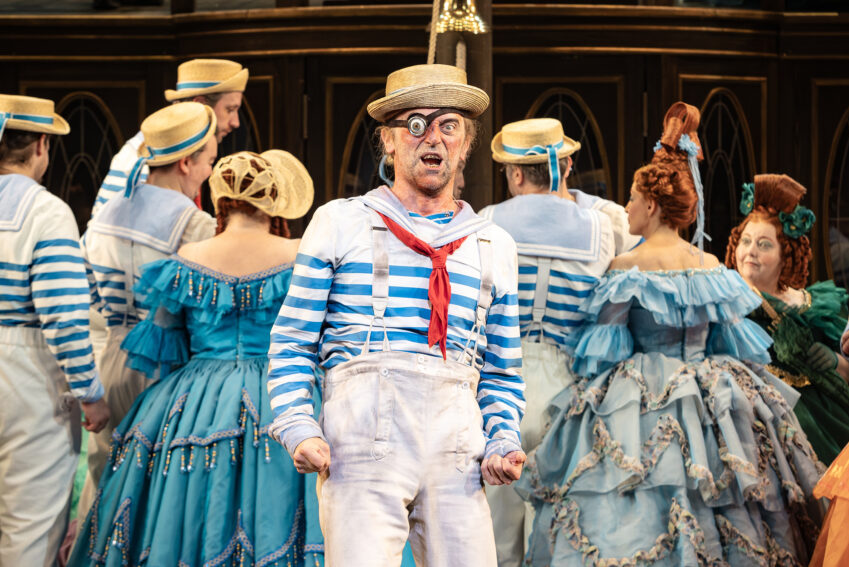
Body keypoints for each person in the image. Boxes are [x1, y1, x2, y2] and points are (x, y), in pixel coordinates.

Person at [518, 102, 825, 566]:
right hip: (712, 392)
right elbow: (732, 344)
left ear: (652, 205)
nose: (625, 208)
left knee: (630, 494)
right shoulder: (709, 267)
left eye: (632, 199)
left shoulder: (625, 268)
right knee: (723, 495)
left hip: (634, 398)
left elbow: (606, 350)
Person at [267, 63, 526, 566]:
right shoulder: (341, 223)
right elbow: (292, 340)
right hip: (361, 443)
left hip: (457, 450)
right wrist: (298, 424)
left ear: (466, 143)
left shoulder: (494, 244)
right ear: (388, 140)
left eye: (448, 125)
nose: (433, 137)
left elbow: (501, 370)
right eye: (415, 124)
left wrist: (502, 440)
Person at [69, 149, 317, 566]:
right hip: (283, 389)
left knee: (189, 505)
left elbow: (165, 339)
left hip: (196, 396)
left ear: (220, 201)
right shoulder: (299, 253)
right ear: (273, 202)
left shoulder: (187, 261)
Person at [478, 117, 615, 567]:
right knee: (558, 530)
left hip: (497, 386)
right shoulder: (601, 228)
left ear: (516, 173)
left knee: (497, 533)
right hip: (568, 392)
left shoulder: (485, 223)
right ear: (566, 166)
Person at [75, 102, 218, 523]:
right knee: (157, 482)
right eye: (208, 161)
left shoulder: (105, 216)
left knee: (103, 475)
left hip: (112, 356)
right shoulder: (192, 224)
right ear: (187, 163)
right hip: (166, 368)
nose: (210, 171)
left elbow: (89, 291)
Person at [0, 94, 109, 565]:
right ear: (42, 144)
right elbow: (64, 317)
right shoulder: (45, 213)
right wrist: (89, 392)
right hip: (22, 372)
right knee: (28, 525)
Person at [725, 174, 849, 465]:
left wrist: (837, 362)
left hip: (831, 422)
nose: (751, 251)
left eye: (765, 244)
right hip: (762, 424)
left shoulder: (817, 305)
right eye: (746, 241)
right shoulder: (728, 304)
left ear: (787, 255)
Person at [89, 58, 248, 221]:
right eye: (230, 109)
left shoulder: (176, 149)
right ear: (199, 104)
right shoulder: (149, 158)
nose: (235, 122)